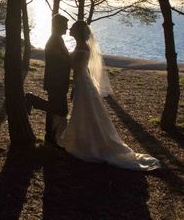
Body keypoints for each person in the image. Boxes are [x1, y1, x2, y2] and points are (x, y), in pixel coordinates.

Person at [55, 20, 160, 171]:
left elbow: (77, 69)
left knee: (86, 112)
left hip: (83, 83)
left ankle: (88, 143)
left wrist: (74, 85)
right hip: (83, 82)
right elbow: (82, 69)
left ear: (78, 31)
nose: (69, 29)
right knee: (86, 113)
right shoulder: (81, 46)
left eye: (72, 28)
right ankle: (84, 141)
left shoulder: (83, 47)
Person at [24, 13, 72, 146]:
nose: (67, 28)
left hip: (58, 81)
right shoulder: (54, 41)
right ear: (58, 25)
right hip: (56, 81)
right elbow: (60, 61)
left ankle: (50, 136)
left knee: (56, 110)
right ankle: (31, 99)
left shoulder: (57, 39)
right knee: (59, 110)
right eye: (65, 25)